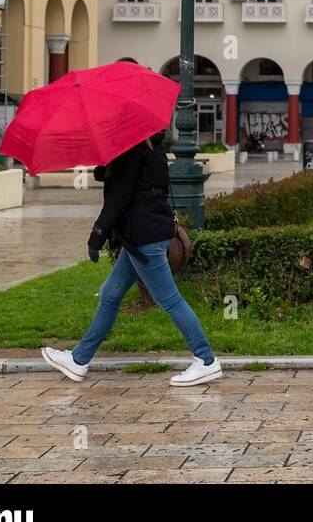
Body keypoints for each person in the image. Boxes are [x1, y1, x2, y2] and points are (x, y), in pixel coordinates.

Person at [41, 131, 221, 386]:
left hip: (144, 238)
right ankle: (79, 360)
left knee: (169, 299)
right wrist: (108, 170)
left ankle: (206, 360)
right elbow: (142, 183)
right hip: (145, 235)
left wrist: (98, 234)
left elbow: (119, 198)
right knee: (110, 294)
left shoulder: (132, 148)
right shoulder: (152, 146)